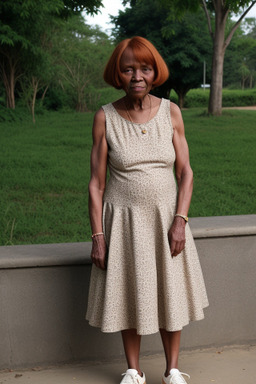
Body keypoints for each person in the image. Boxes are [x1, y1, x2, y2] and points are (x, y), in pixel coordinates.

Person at [86, 36, 208, 384]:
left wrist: (180, 221)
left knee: (171, 292)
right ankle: (133, 370)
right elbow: (96, 183)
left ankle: (171, 370)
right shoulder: (104, 118)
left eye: (144, 68)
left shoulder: (171, 112)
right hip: (123, 222)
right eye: (128, 69)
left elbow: (185, 172)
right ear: (117, 74)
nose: (136, 75)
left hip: (167, 219)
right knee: (128, 291)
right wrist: (98, 236)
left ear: (155, 72)